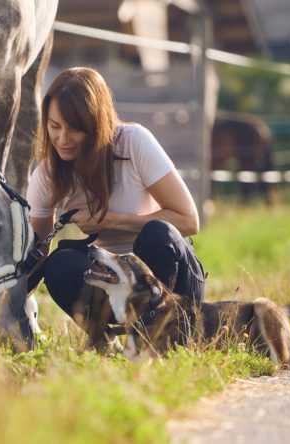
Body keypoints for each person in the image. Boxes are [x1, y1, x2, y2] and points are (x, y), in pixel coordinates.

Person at [26, 67, 205, 348]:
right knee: (58, 264)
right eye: (54, 126)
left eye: (74, 128)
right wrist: (2, 301)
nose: (62, 139)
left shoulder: (133, 142)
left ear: (96, 123)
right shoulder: (49, 172)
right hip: (111, 281)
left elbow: (188, 220)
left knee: (157, 234)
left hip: (170, 278)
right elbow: (36, 253)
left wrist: (109, 220)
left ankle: (164, 335)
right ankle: (102, 341)